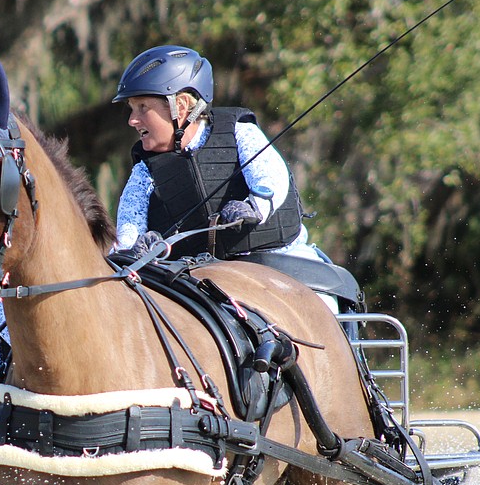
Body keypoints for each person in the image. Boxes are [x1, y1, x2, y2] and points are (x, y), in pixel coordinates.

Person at [111, 45, 337, 311]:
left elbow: (270, 176)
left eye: (142, 107)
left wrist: (255, 207)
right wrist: (134, 248)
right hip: (201, 281)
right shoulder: (145, 170)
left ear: (179, 107)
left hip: (282, 262)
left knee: (325, 308)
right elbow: (129, 225)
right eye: (131, 109)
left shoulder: (239, 131)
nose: (132, 120)